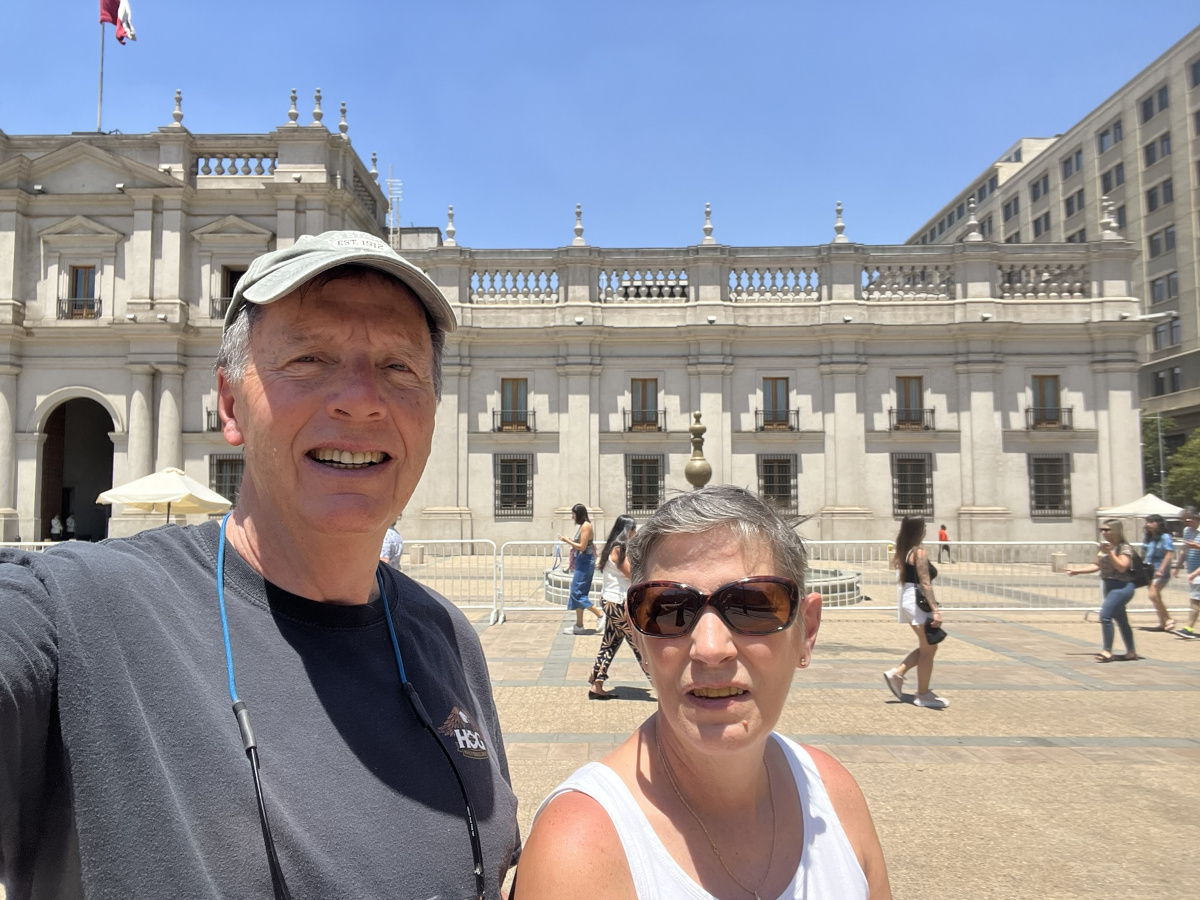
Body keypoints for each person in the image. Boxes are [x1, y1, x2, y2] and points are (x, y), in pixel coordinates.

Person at [0, 231, 520, 900]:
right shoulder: (74, 612)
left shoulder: (449, 638)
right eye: (308, 358)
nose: (361, 398)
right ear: (229, 405)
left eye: (399, 367)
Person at [518, 485, 892, 900]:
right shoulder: (581, 847)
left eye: (752, 605)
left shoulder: (836, 795)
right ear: (638, 639)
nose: (711, 648)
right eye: (669, 609)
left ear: (808, 632)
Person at [883, 516, 948, 709]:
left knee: (928, 646)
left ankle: (898, 673)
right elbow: (925, 582)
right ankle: (922, 693)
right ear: (919, 530)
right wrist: (936, 610)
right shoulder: (918, 552)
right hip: (917, 601)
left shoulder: (904, 551)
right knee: (929, 649)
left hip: (908, 599)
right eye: (923, 526)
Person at [587, 515, 645, 699]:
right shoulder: (619, 548)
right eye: (634, 529)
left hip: (612, 601)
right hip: (619, 603)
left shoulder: (614, 546)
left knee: (610, 643)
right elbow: (631, 574)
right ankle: (663, 687)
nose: (636, 533)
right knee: (640, 644)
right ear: (628, 530)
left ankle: (596, 684)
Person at [1066, 519, 1138, 662]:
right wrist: (1078, 571)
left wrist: (1110, 552)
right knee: (1121, 619)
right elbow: (1096, 565)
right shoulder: (1105, 547)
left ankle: (1107, 651)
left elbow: (1122, 567)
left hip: (1122, 586)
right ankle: (1131, 651)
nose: (1103, 533)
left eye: (1107, 530)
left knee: (1105, 616)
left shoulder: (1124, 548)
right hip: (1109, 585)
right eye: (1102, 530)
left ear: (1116, 530)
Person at [560, 502, 603, 635]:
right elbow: (582, 543)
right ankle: (579, 625)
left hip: (585, 561)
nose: (572, 516)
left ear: (578, 514)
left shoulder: (586, 526)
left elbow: (582, 547)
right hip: (582, 560)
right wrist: (572, 540)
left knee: (577, 592)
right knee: (578, 593)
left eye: (573, 514)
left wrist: (567, 541)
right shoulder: (583, 526)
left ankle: (601, 615)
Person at [1142, 513, 1176, 631]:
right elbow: (1144, 552)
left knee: (1153, 594)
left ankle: (1168, 618)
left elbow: (1169, 553)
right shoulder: (1148, 537)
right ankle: (1163, 621)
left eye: (1151, 522)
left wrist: (1161, 569)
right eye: (1147, 522)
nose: (1148, 524)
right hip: (1149, 568)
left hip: (1160, 569)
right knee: (1155, 596)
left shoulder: (1165, 537)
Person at [1173, 506, 1200, 639]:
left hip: (1197, 572)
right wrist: (1178, 565)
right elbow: (1184, 550)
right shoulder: (1187, 531)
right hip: (1192, 570)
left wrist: (1197, 546)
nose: (1186, 523)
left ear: (1196, 517)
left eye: (1188, 520)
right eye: (1183, 521)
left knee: (1195, 600)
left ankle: (1188, 628)